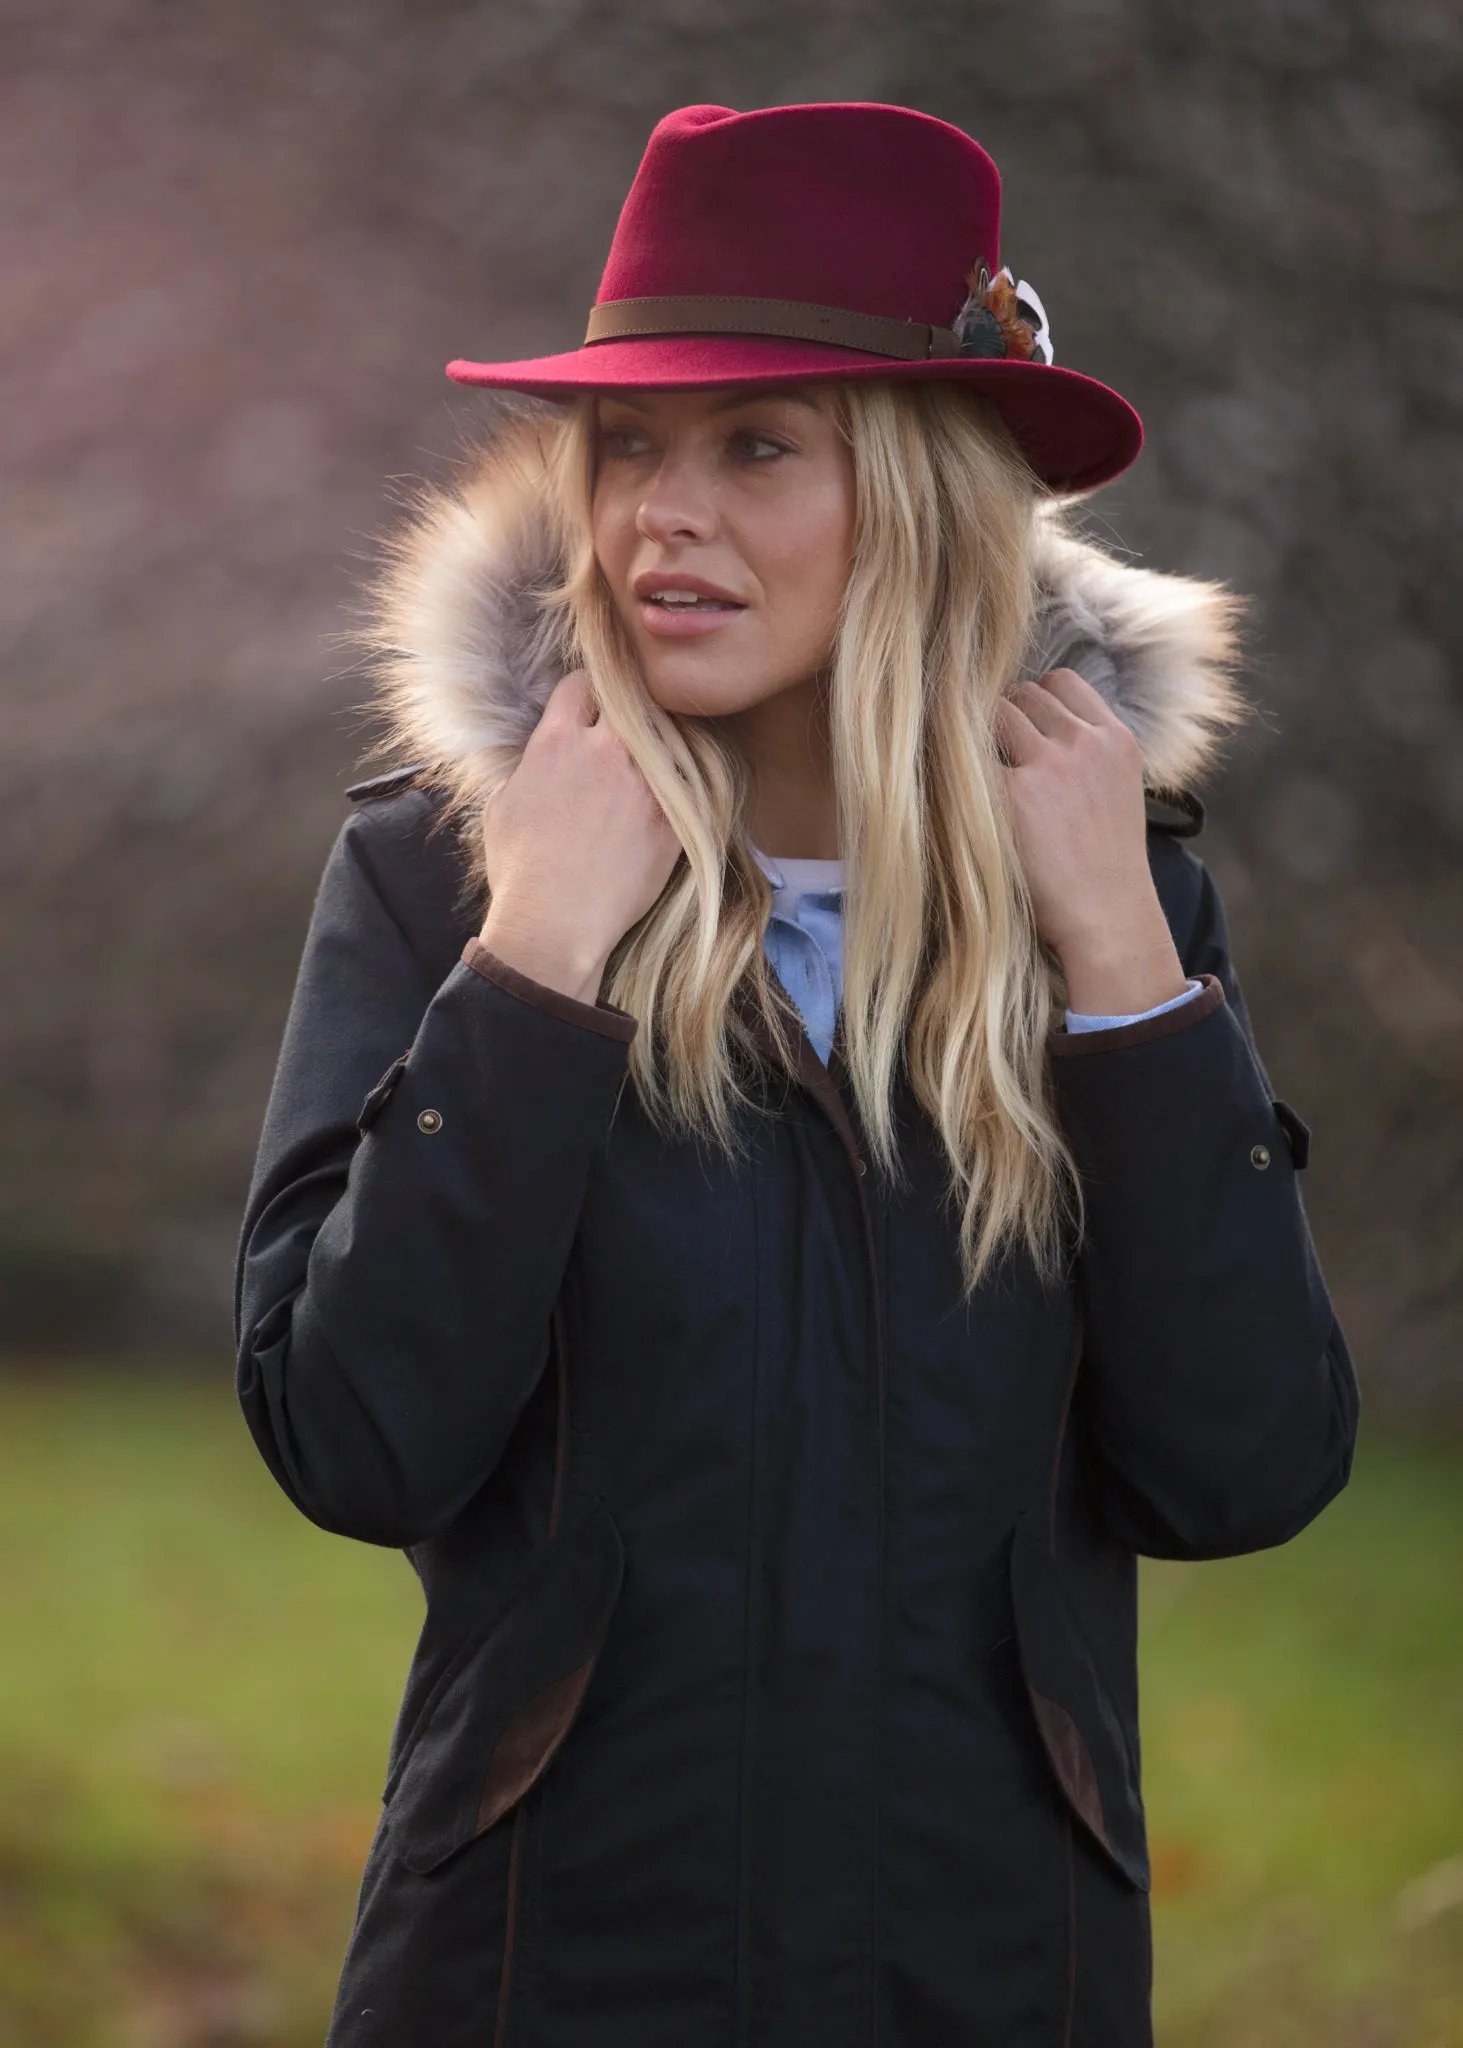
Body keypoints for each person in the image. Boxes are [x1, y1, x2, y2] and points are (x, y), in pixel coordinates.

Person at [235, 101, 1359, 2048]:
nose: (660, 515)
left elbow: (1241, 1466)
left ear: (918, 492)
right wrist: (535, 969)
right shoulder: (444, 876)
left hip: (989, 1977)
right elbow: (356, 1438)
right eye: (628, 449)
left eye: (754, 447)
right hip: (540, 1978)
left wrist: (1123, 974)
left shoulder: (1113, 890)